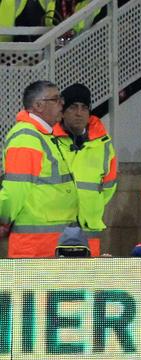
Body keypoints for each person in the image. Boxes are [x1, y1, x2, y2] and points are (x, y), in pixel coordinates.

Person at [0, 80, 79, 257]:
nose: (62, 104)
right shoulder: (27, 138)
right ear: (38, 105)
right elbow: (15, 191)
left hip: (49, 244)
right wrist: (3, 220)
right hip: (35, 247)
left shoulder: (41, 135)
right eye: (56, 99)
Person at [52, 83, 117, 256]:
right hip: (55, 227)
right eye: (73, 107)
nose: (79, 113)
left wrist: (91, 205)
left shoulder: (103, 144)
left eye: (84, 107)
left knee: (88, 281)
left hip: (89, 227)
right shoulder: (49, 140)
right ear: (63, 111)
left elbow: (109, 185)